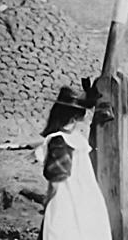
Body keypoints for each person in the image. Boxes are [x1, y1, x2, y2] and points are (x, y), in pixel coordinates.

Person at [35, 86, 111, 240]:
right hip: (86, 196)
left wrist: (48, 200)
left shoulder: (59, 141)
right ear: (75, 117)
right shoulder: (76, 139)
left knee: (61, 230)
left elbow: (57, 176)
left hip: (65, 198)